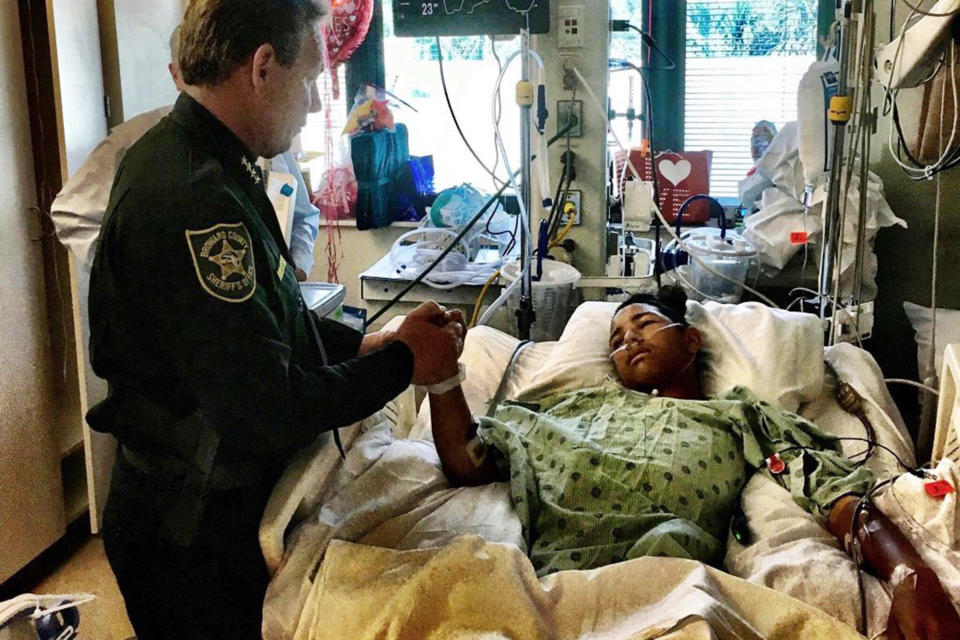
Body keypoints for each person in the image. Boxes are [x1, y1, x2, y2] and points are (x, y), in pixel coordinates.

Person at [87, 1, 465, 638]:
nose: (316, 104)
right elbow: (264, 407)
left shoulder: (205, 160)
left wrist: (374, 342)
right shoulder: (193, 198)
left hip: (211, 504)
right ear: (262, 67)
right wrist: (405, 364)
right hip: (190, 532)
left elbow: (272, 321)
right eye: (312, 78)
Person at [428, 286, 960, 640]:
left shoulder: (739, 418)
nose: (628, 338)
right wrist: (443, 377)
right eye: (615, 339)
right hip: (547, 597)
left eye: (644, 323)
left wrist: (908, 573)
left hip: (667, 596)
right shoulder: (570, 408)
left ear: (691, 338)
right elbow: (469, 462)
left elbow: (828, 487)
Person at [52, 26, 320, 279]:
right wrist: (138, 273)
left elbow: (303, 215)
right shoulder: (137, 139)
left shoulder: (264, 136)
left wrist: (297, 268)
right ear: (176, 75)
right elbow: (72, 213)